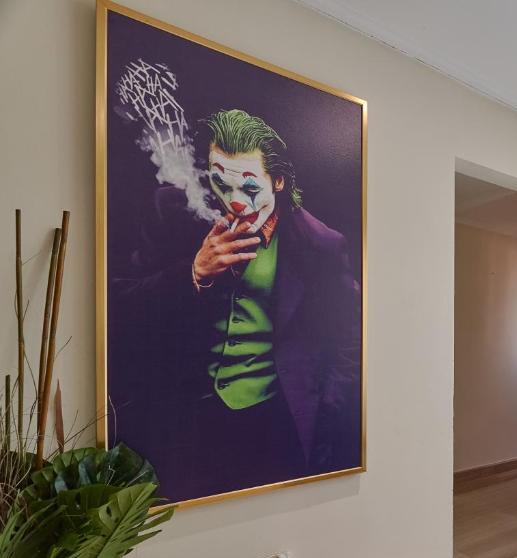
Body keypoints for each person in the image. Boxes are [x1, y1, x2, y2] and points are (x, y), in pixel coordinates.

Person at [111, 109, 361, 502]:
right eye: (221, 184)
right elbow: (123, 303)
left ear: (278, 180)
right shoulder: (173, 212)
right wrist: (194, 272)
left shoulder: (320, 244)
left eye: (249, 187)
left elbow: (347, 337)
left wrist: (326, 411)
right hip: (186, 418)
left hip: (276, 417)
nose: (235, 202)